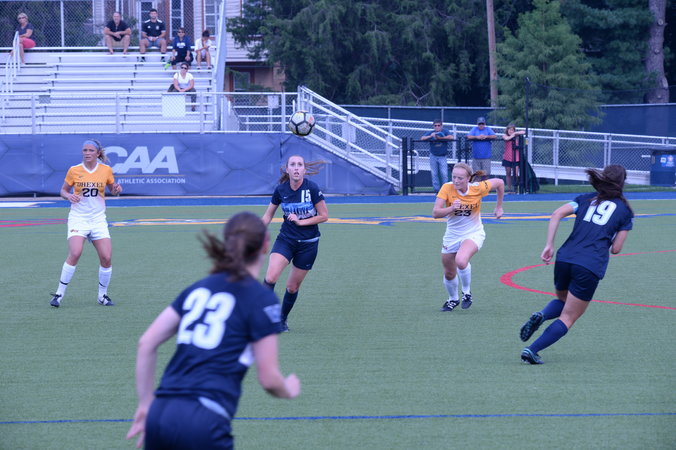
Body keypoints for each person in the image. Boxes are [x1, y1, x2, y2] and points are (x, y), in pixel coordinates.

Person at [126, 212, 300, 449]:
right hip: (204, 419)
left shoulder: (199, 288)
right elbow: (269, 379)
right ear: (265, 245)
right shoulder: (261, 299)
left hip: (160, 413)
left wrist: (146, 404)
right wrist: (288, 389)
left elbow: (146, 343)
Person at [519, 165, 634, 364]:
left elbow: (556, 214)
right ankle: (532, 350)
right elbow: (616, 249)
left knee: (563, 300)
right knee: (569, 316)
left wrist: (549, 245)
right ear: (622, 182)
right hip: (589, 265)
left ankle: (542, 314)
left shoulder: (584, 199)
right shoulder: (625, 210)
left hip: (564, 258)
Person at [49, 139, 122, 308]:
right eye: (85, 150)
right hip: (78, 218)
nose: (87, 153)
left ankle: (102, 296)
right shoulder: (74, 170)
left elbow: (113, 190)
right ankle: (59, 294)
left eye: (90, 150)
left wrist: (117, 190)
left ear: (98, 153)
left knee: (106, 257)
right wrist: (69, 196)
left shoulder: (105, 170)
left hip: (98, 219)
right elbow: (63, 190)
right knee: (75, 253)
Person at [261, 155, 329, 332]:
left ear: (304, 170)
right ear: (287, 169)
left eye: (300, 165)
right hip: (286, 239)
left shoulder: (312, 188)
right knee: (270, 277)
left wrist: (301, 221)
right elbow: (268, 215)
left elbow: (324, 216)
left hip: (308, 244)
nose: (296, 167)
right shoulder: (280, 190)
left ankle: (282, 320)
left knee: (292, 287)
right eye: (293, 164)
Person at [433, 162, 504, 312]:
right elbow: (436, 213)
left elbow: (500, 183)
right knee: (449, 272)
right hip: (452, 235)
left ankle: (466, 292)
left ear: (468, 179)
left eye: (460, 178)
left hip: (473, 232)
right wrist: (452, 208)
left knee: (461, 260)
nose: (456, 181)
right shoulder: (447, 188)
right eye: (454, 177)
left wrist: (499, 206)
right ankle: (453, 299)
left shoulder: (478, 188)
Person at [420, 119, 455, 192]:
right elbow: (422, 138)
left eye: (439, 125)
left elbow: (451, 137)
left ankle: (445, 190)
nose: (437, 127)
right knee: (434, 174)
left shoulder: (445, 131)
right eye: (435, 126)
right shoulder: (431, 132)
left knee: (444, 174)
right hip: (433, 156)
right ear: (433, 126)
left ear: (441, 126)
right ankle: (436, 190)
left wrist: (440, 138)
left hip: (442, 156)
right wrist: (430, 136)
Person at [501, 124, 525, 193]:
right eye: (509, 129)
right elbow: (507, 139)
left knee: (516, 174)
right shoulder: (505, 135)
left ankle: (516, 188)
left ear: (514, 130)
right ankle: (509, 189)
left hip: (516, 158)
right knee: (508, 173)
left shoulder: (517, 136)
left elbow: (523, 132)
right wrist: (514, 134)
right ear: (507, 130)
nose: (511, 131)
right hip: (507, 158)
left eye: (512, 130)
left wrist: (515, 134)